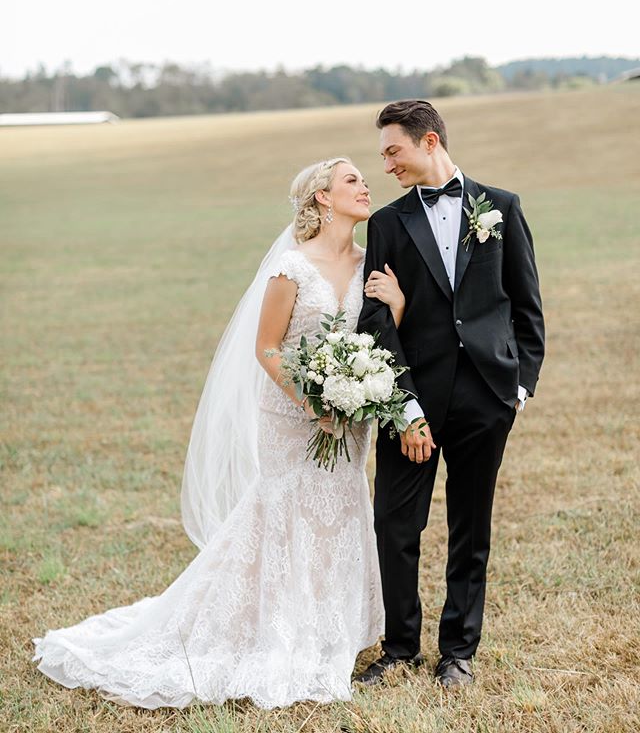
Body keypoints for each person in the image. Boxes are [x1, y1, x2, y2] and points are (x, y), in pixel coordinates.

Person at [33, 157, 406, 709]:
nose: (364, 186)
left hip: (351, 420)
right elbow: (267, 348)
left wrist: (394, 310)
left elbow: (376, 343)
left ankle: (333, 630)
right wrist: (312, 401)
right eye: (352, 179)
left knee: (342, 509)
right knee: (285, 512)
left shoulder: (372, 265)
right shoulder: (291, 267)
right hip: (291, 414)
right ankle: (276, 629)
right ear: (323, 198)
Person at [355, 100, 545, 688]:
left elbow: (525, 307)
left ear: (429, 141)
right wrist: (403, 404)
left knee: (471, 527)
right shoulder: (386, 223)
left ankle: (458, 651)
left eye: (394, 151)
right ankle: (399, 648)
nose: (386, 164)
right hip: (412, 399)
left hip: (486, 398)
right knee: (395, 523)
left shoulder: (502, 208)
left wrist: (517, 388)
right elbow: (375, 321)